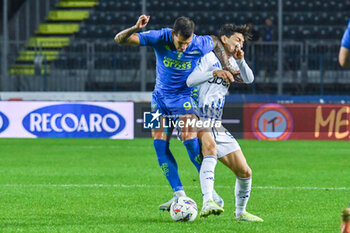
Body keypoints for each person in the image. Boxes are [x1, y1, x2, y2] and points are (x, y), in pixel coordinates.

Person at [114, 15, 238, 211]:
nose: (184, 47)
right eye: (181, 43)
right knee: (158, 144)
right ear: (173, 34)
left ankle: (210, 192)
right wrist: (135, 27)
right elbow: (119, 39)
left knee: (189, 138)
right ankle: (178, 194)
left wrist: (228, 65)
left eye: (187, 43)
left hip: (184, 99)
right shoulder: (159, 37)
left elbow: (215, 41)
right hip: (158, 100)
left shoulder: (199, 42)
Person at [186, 24, 263, 222]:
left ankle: (240, 213)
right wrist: (214, 73)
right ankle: (208, 201)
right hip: (198, 117)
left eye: (243, 42)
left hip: (215, 122)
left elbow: (249, 79)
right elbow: (190, 80)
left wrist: (241, 60)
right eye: (237, 39)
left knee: (245, 171)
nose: (240, 44)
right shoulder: (208, 57)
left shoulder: (232, 63)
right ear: (224, 39)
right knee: (209, 150)